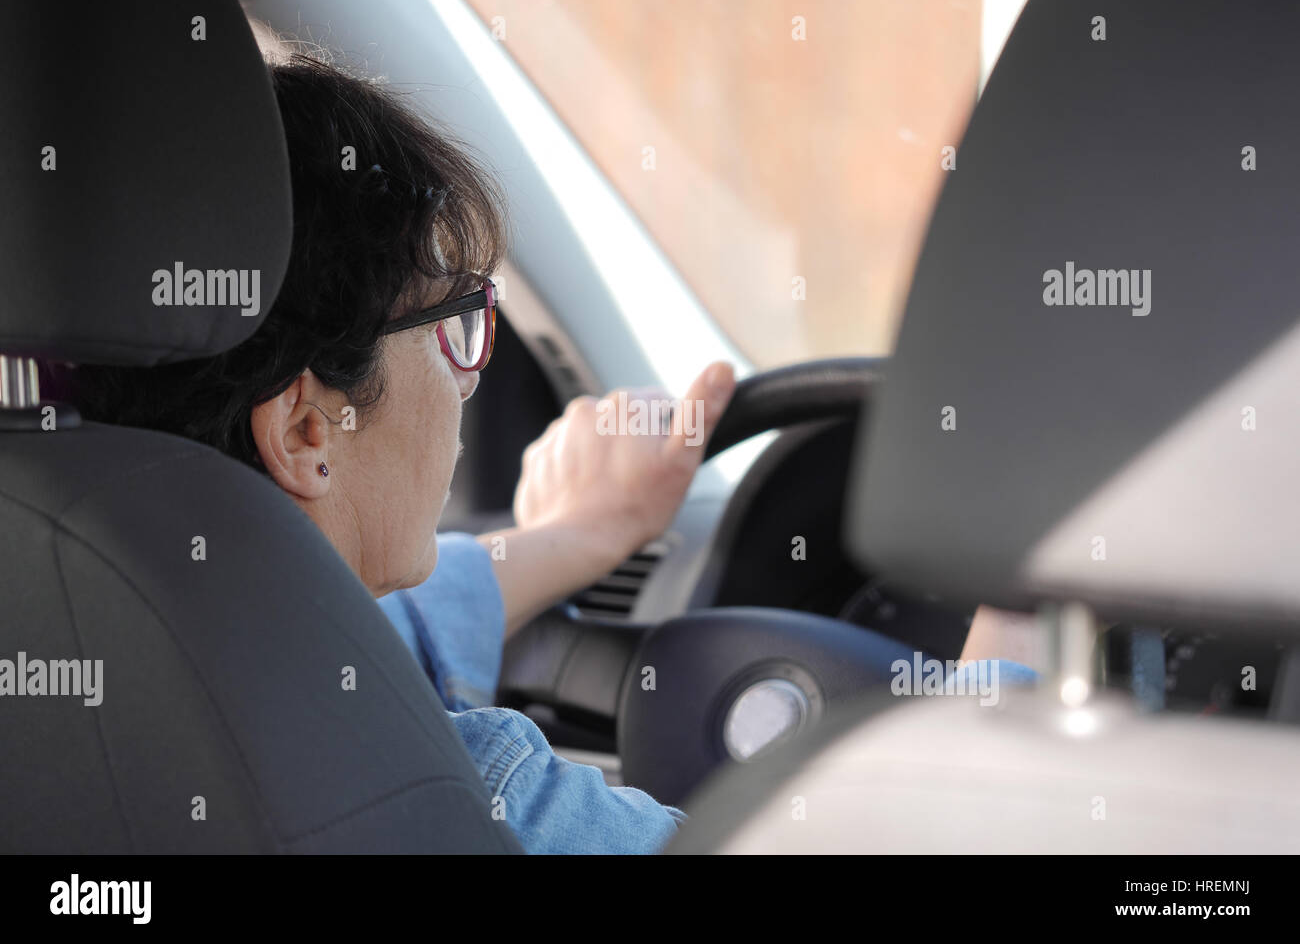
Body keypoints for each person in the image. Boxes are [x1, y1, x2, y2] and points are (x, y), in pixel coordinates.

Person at [63, 50, 1034, 852]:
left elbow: (359, 637)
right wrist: (1022, 599)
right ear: (312, 432)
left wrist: (576, 533)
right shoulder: (445, 793)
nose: (471, 376)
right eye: (455, 326)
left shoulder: (77, 665)